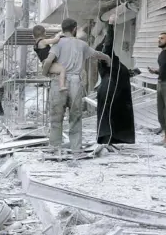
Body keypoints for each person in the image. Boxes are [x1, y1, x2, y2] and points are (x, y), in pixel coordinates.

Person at [42, 18, 111, 155]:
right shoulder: (82, 44)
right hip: (75, 82)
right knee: (75, 117)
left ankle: (55, 148)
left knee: (56, 117)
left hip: (58, 82)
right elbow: (96, 55)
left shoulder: (58, 43)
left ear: (63, 29)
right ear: (74, 29)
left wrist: (45, 73)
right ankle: (76, 149)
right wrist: (108, 58)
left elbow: (48, 60)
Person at [95, 15, 135, 145]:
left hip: (113, 87)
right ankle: (107, 139)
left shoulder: (113, 62)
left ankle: (113, 138)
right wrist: (111, 25)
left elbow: (107, 41)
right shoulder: (106, 57)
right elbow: (109, 42)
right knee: (109, 113)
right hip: (110, 87)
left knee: (114, 113)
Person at [32, 25, 67, 91]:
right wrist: (59, 35)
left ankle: (43, 80)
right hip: (49, 63)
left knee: (57, 70)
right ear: (45, 33)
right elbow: (55, 40)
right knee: (63, 69)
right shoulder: (43, 41)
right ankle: (62, 86)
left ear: (33, 36)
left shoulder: (36, 44)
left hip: (44, 63)